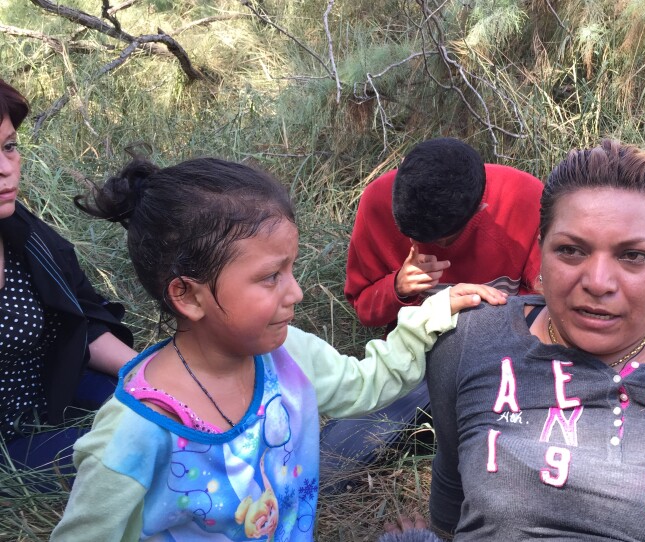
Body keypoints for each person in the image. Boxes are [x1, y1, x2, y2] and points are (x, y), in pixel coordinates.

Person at [51, 156, 506, 541]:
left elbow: (365, 386)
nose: (296, 293)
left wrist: (431, 314)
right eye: (271, 277)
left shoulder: (288, 355)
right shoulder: (135, 431)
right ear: (188, 296)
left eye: (290, 270)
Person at [423, 140, 645, 541]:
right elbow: (451, 483)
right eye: (571, 250)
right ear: (541, 253)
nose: (597, 282)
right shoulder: (470, 339)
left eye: (633, 256)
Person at [323, 137, 543, 470]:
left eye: (437, 240)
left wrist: (483, 319)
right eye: (408, 234)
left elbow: (549, 304)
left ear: (479, 210)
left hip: (501, 365)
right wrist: (397, 286)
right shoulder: (377, 202)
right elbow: (365, 308)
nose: (417, 245)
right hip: (418, 365)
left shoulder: (524, 200)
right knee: (330, 460)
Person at [0, 78, 136, 474]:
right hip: (10, 448)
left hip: (56, 387)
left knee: (172, 410)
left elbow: (82, 319)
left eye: (9, 147)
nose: (6, 169)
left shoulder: (26, 235)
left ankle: (293, 454)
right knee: (135, 456)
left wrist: (149, 373)